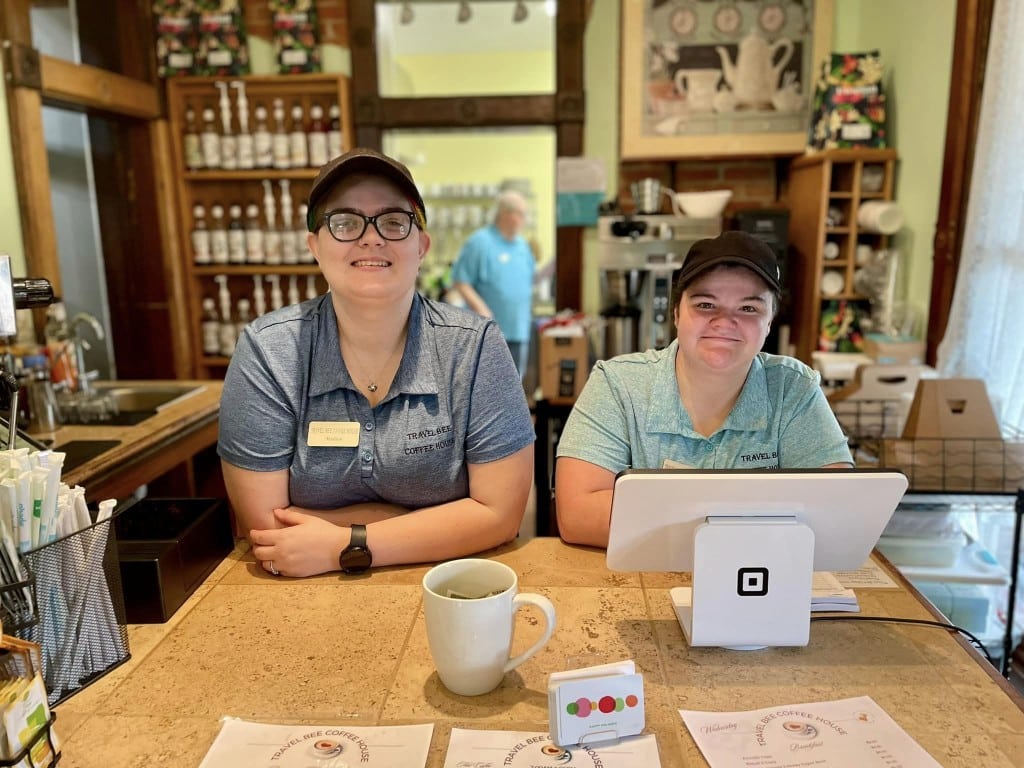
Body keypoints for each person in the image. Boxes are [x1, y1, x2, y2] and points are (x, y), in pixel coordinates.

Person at [218, 148, 535, 578]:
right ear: (315, 246)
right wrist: (429, 521)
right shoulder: (269, 350)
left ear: (421, 244)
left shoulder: (475, 348)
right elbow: (268, 529)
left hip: (445, 592)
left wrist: (347, 544)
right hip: (301, 603)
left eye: (392, 221)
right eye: (345, 222)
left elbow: (500, 517)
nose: (371, 238)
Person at [555, 231, 853, 548]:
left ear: (769, 322)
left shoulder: (793, 388)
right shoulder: (617, 384)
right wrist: (755, 517)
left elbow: (836, 513)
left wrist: (665, 516)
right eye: (706, 304)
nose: (724, 322)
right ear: (676, 314)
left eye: (749, 308)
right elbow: (577, 515)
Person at [450, 189, 536, 378]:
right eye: (521, 214)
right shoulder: (480, 242)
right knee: (487, 390)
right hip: (488, 333)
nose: (524, 219)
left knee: (514, 390)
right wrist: (481, 309)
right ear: (506, 214)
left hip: (518, 329)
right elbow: (460, 280)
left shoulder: (522, 246)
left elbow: (531, 280)